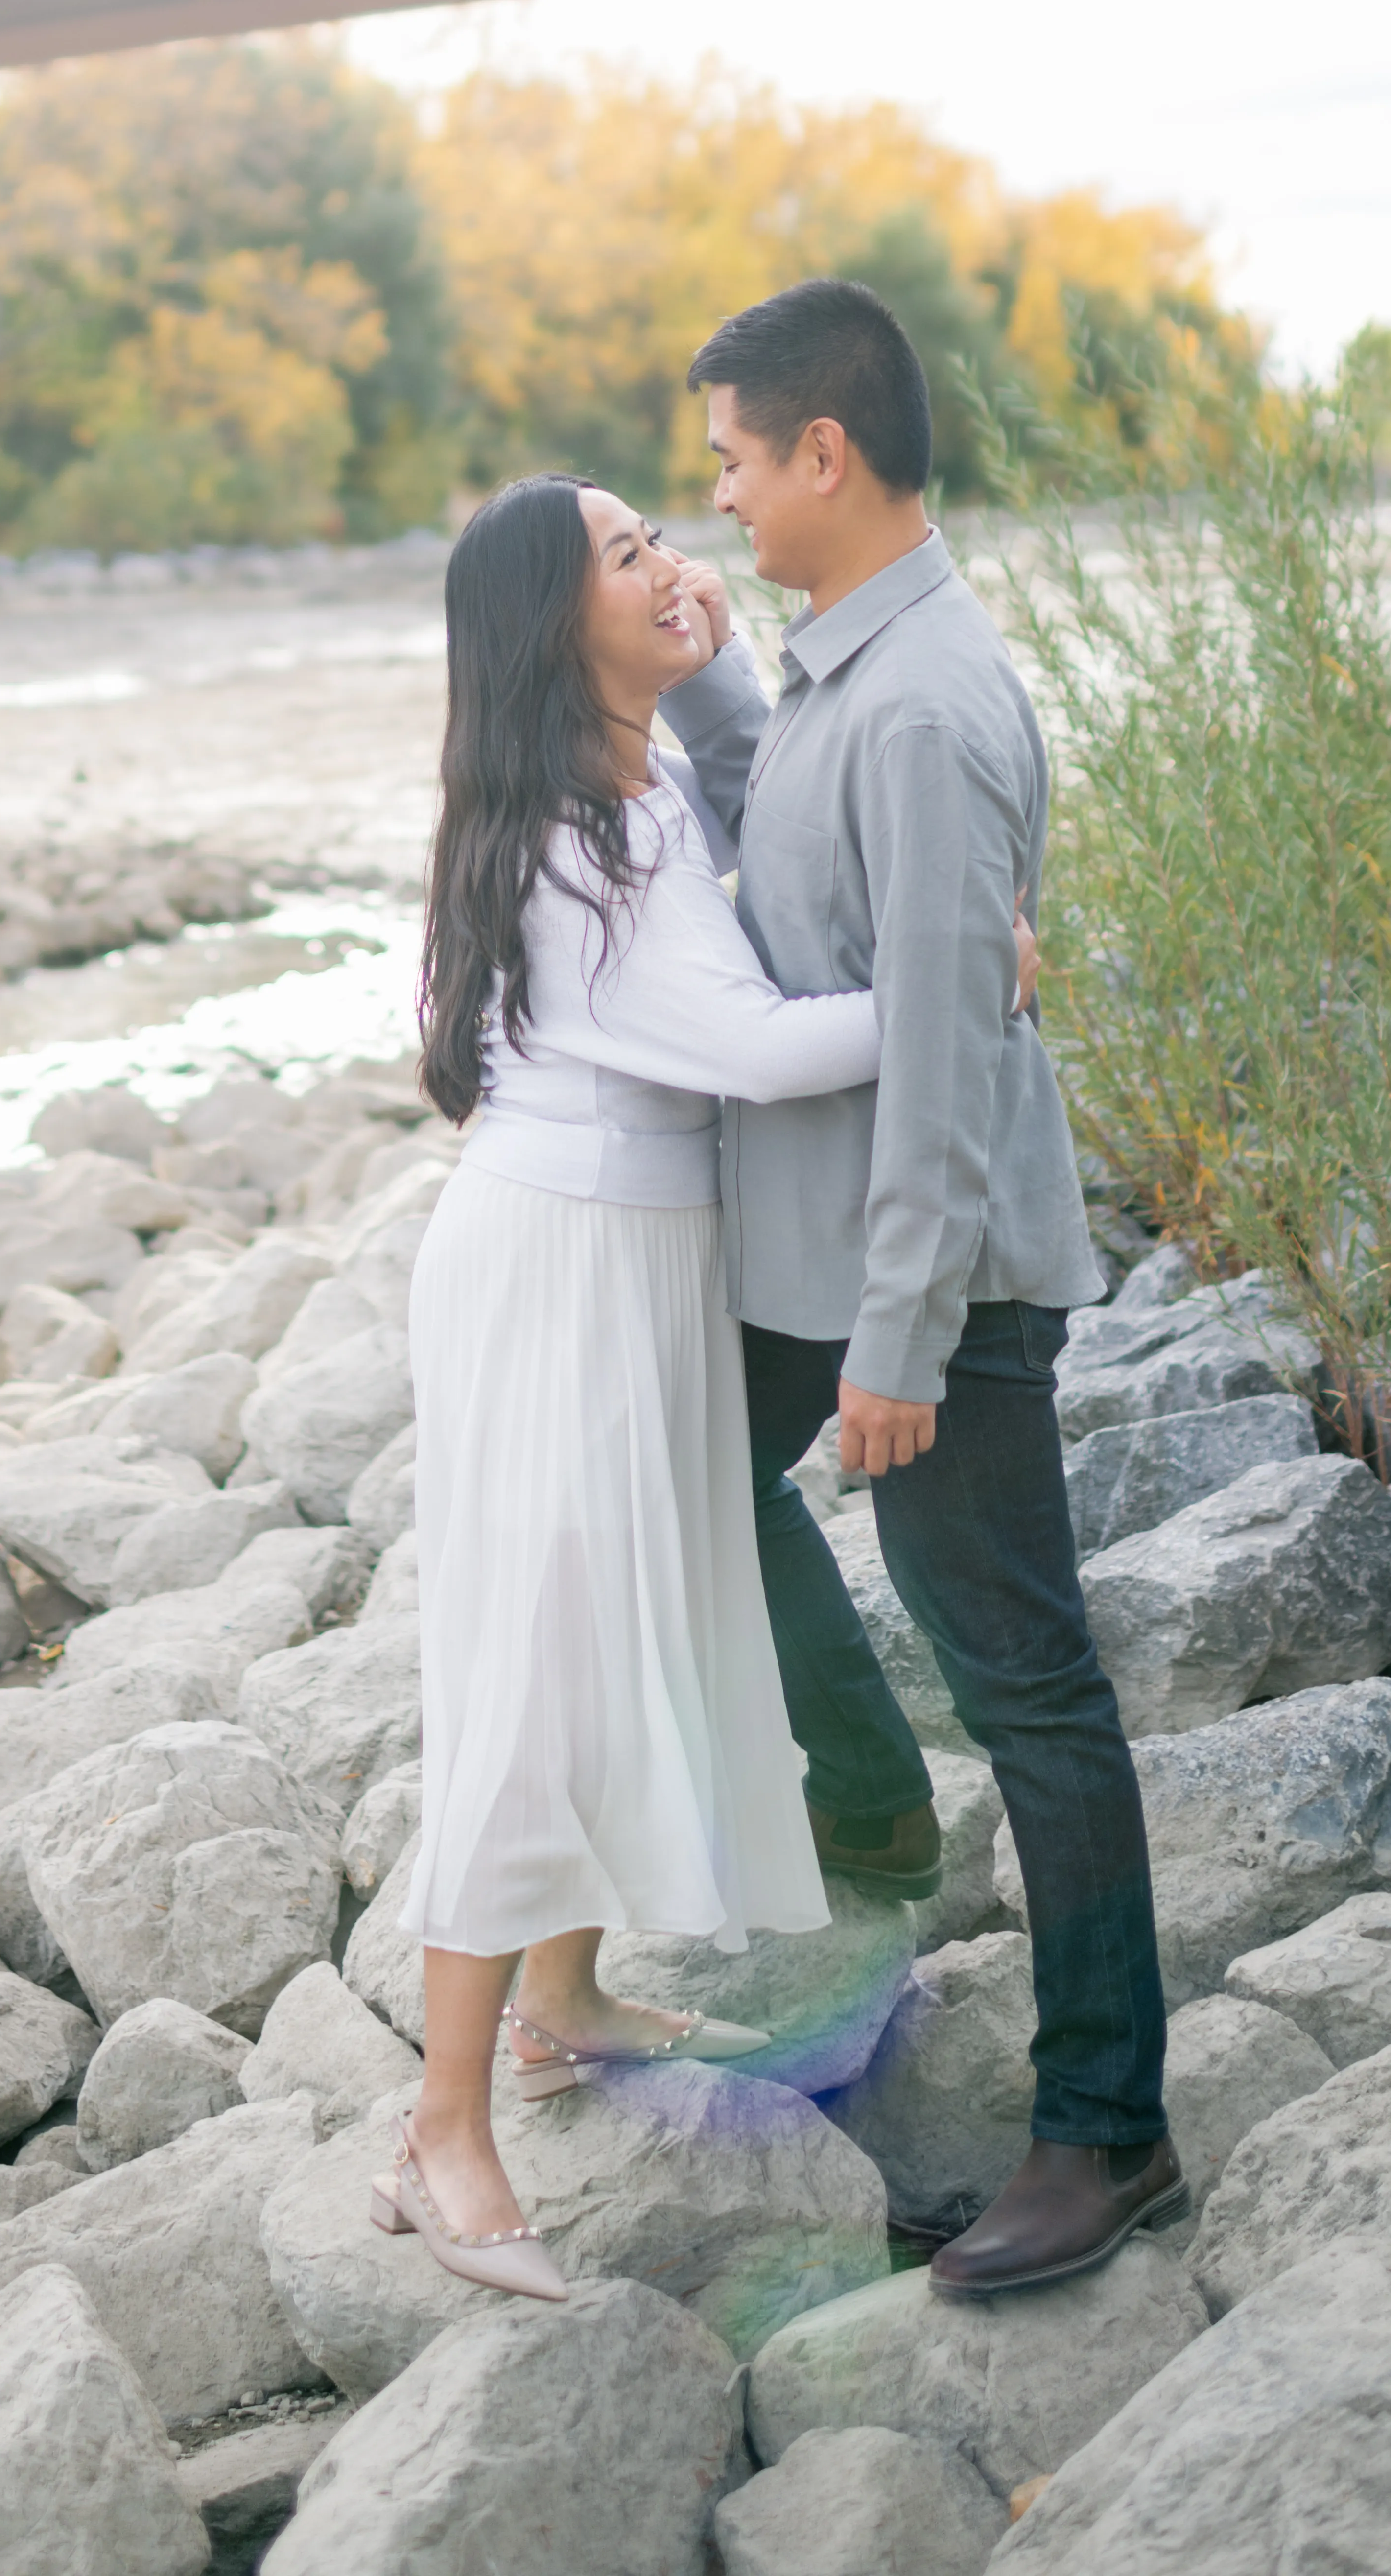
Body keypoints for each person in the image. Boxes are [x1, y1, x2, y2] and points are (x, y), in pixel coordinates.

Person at [387, 470, 1028, 2305]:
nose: (675, 563)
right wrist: (956, 988)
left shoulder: (635, 776)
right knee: (535, 1671)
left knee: (624, 1632)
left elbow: (765, 842)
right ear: (552, 625)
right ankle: (441, 2131)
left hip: (639, 1254)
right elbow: (745, 1045)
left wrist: (716, 666)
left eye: (665, 532)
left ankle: (566, 1998)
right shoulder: (577, 832)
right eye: (628, 555)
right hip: (563, 1264)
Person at [663, 273, 1180, 2296]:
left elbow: (951, 1054)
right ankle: (873, 1807)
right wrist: (711, 684)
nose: (714, 496)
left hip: (927, 1284)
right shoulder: (845, 674)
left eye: (730, 459)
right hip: (827, 1256)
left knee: (1031, 1689)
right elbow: (790, 857)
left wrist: (904, 1343)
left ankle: (1109, 2127)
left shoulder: (928, 706)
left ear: (824, 451)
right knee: (686, 1479)